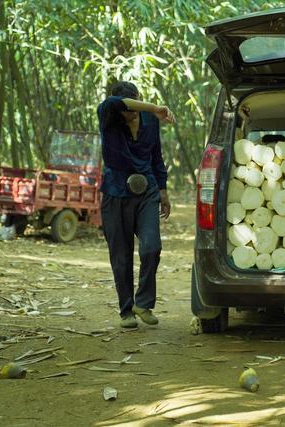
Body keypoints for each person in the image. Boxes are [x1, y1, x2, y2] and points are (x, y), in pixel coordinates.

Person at [97, 81, 174, 328]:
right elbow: (113, 103)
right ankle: (126, 310)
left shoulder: (149, 121)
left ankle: (143, 303)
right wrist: (155, 107)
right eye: (127, 110)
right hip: (115, 192)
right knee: (121, 256)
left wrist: (163, 191)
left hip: (147, 191)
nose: (131, 114)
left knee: (152, 247)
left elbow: (156, 156)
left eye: (134, 109)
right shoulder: (109, 114)